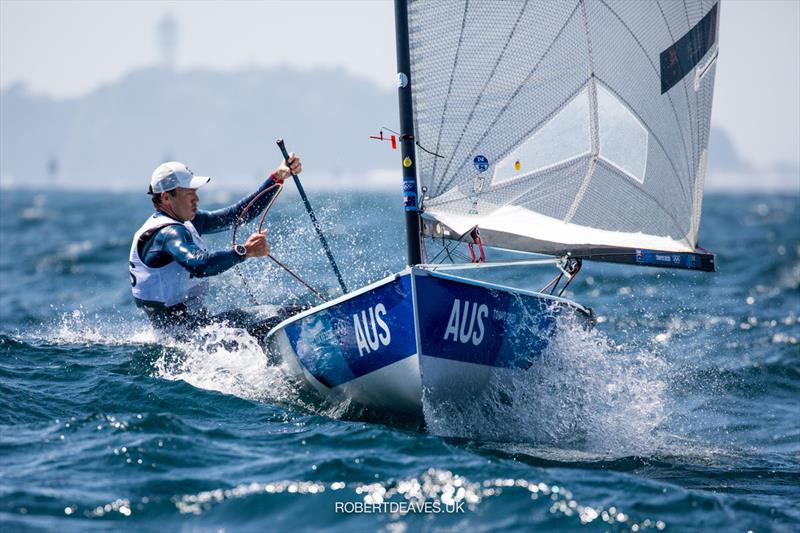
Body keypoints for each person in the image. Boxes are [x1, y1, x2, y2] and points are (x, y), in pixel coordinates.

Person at [129, 156, 303, 338]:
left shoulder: (186, 221)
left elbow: (238, 214)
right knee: (280, 316)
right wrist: (245, 251)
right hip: (187, 337)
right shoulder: (168, 233)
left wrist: (277, 177)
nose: (196, 199)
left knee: (279, 314)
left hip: (198, 329)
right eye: (189, 194)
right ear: (166, 197)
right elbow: (200, 265)